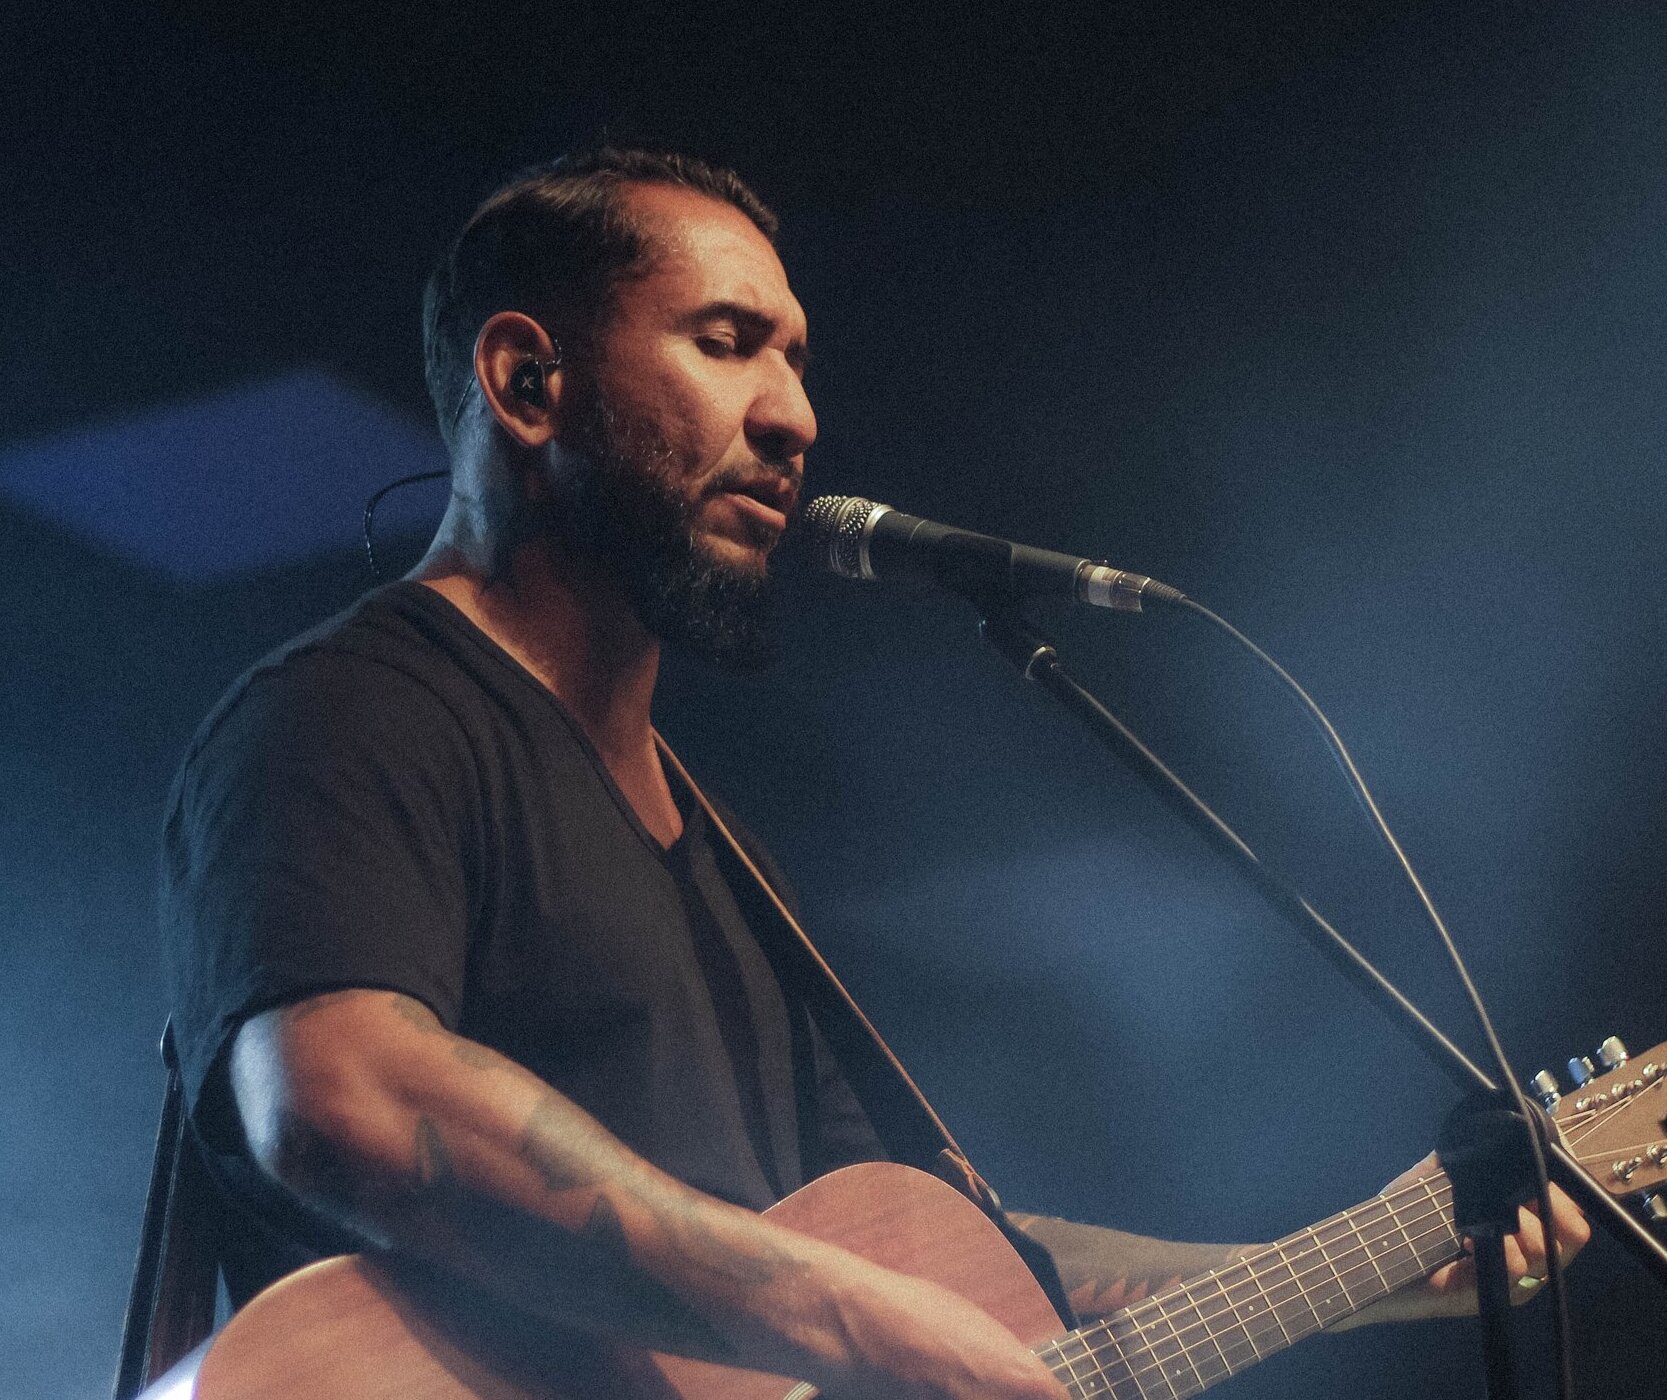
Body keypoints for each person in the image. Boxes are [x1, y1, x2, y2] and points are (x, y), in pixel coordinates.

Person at [161, 149, 1587, 1400]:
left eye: (793, 357)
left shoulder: (727, 865)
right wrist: (851, 1321)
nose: (795, 417)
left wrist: (1383, 1257)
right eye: (728, 342)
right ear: (529, 382)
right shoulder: (353, 712)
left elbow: (973, 1282)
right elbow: (343, 1098)